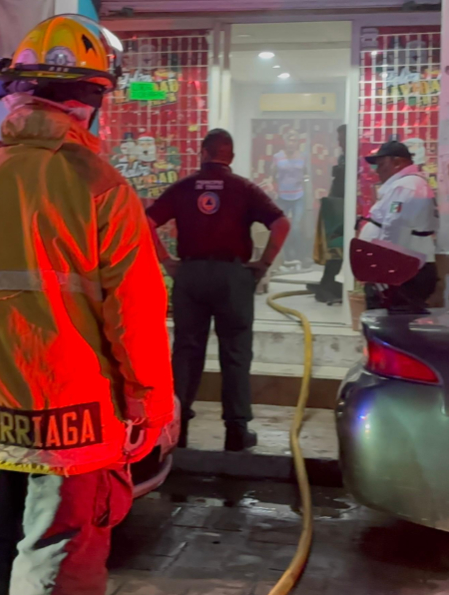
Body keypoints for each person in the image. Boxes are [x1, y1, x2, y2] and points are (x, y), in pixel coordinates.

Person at [0, 14, 174, 595]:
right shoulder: (102, 188)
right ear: (91, 102)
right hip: (72, 438)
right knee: (56, 576)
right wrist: (150, 406)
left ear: (16, 92)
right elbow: (136, 317)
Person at [146, 129, 290, 452]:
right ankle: (236, 432)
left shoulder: (183, 188)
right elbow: (281, 224)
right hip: (232, 276)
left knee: (186, 351)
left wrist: (167, 261)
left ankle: (177, 428)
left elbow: (146, 222)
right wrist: (263, 264)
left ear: (202, 153)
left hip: (191, 275)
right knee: (236, 352)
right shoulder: (243, 188)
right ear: (231, 157)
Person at [357, 140, 438, 311]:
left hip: (403, 272)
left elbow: (395, 228)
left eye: (381, 164)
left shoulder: (406, 186)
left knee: (393, 324)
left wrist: (385, 273)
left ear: (397, 162)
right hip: (404, 269)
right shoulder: (406, 184)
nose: (377, 170)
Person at [313, 124, 347, 303]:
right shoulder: (343, 158)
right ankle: (327, 283)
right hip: (336, 207)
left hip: (346, 210)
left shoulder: (356, 158)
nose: (340, 143)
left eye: (342, 139)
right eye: (339, 140)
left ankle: (329, 283)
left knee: (339, 248)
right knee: (333, 246)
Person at [272, 130, 308, 267]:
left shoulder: (303, 157)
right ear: (285, 142)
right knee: (284, 227)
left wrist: (305, 181)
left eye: (294, 141)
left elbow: (306, 174)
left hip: (298, 195)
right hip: (283, 196)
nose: (291, 143)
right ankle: (287, 256)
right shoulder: (278, 157)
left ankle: (300, 255)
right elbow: (272, 174)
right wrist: (272, 186)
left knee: (297, 227)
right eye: (289, 140)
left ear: (297, 143)